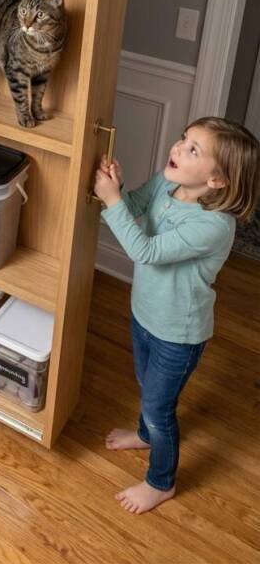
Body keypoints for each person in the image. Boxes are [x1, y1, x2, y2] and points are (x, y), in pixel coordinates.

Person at [93, 116, 259, 515]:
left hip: (179, 335)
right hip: (144, 313)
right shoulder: (167, 185)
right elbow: (132, 206)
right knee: (145, 386)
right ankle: (144, 434)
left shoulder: (214, 226)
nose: (177, 147)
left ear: (218, 180)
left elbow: (145, 251)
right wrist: (114, 191)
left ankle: (160, 481)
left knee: (158, 408)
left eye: (193, 150)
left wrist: (111, 200)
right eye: (184, 139)